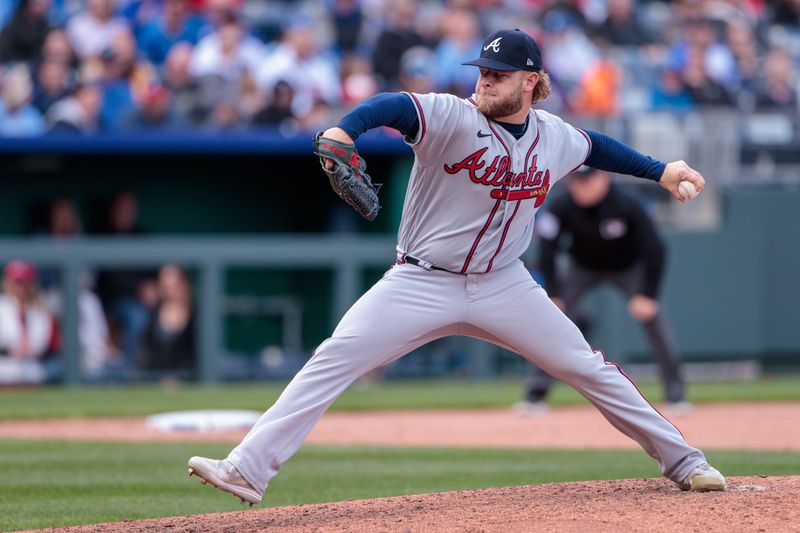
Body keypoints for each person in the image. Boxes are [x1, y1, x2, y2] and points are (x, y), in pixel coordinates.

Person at [188, 29, 726, 506]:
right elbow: (394, 105)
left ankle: (685, 461)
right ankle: (247, 469)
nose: (484, 82)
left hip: (505, 284)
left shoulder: (553, 136)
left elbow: (599, 149)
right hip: (420, 280)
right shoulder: (451, 116)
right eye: (482, 72)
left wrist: (661, 171)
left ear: (530, 81)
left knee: (588, 366)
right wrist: (345, 130)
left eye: (497, 75)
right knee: (335, 357)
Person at [513, 166, 690, 416]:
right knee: (552, 321)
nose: (581, 186)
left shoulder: (627, 205)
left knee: (655, 321)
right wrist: (554, 293)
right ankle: (536, 395)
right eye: (576, 181)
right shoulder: (561, 206)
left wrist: (648, 295)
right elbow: (548, 252)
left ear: (604, 178)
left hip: (628, 268)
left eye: (588, 180)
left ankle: (676, 394)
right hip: (582, 268)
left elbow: (655, 249)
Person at [0, 261, 61, 384]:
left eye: (25, 283)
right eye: (17, 283)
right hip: (4, 364)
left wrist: (33, 350)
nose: (21, 288)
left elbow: (52, 345)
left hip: (36, 366)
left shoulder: (42, 309)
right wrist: (11, 349)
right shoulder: (2, 306)